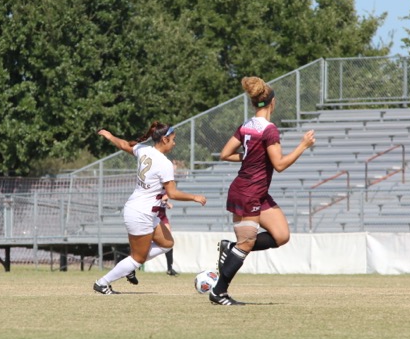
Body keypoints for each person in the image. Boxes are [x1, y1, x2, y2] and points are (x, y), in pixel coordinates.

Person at [210, 77, 315, 305]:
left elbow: (225, 154)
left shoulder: (246, 126)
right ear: (272, 103)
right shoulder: (269, 130)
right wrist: (303, 146)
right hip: (249, 191)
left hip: (254, 190)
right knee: (247, 244)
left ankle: (230, 248)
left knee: (281, 235)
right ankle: (219, 292)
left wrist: (250, 157)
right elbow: (279, 165)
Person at [93, 122, 207, 294]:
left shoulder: (144, 150)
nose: (174, 143)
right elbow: (173, 193)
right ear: (164, 139)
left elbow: (124, 144)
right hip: (141, 213)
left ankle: (130, 266)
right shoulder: (164, 163)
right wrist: (195, 197)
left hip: (142, 210)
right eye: (173, 140)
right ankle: (102, 283)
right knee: (137, 258)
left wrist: (110, 136)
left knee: (167, 243)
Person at [125, 193, 178, 285]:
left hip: (162, 217)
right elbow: (161, 198)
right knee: (145, 245)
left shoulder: (163, 188)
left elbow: (163, 200)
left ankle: (170, 268)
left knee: (169, 241)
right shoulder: (155, 188)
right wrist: (166, 198)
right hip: (150, 217)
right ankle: (131, 265)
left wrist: (166, 203)